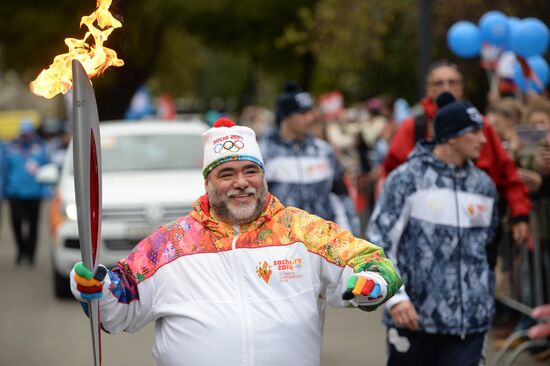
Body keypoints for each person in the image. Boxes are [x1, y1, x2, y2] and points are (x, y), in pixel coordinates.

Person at [70, 117, 402, 366]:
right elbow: (118, 307)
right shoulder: (170, 245)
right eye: (226, 173)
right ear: (208, 182)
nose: (241, 183)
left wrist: (371, 282)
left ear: (262, 175)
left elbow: (372, 263)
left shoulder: (303, 232)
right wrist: (94, 289)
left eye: (250, 171)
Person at [367, 92, 498, 366]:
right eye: (475, 132)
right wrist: (396, 299)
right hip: (414, 321)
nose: (483, 139)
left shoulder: (483, 185)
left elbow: (488, 248)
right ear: (451, 136)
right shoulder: (407, 179)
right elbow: (378, 242)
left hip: (469, 325)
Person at [382, 60, 531, 246]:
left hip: (478, 236)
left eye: (453, 82)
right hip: (425, 240)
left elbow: (507, 173)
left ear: (461, 88)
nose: (446, 88)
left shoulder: (479, 126)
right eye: (439, 83)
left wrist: (520, 214)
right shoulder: (413, 127)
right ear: (429, 89)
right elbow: (391, 182)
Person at [258, 81, 360, 236]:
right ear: (286, 117)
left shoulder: (323, 151)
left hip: (322, 244)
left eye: (310, 112)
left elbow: (341, 196)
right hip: (283, 245)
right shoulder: (264, 152)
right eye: (303, 113)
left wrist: (353, 233)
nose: (310, 118)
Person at [5, 120, 51, 266]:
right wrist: (5, 188)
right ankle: (21, 250)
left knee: (33, 225)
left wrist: (46, 188)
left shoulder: (41, 148)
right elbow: (5, 169)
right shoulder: (11, 148)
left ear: (32, 133)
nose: (25, 136)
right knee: (16, 223)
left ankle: (31, 255)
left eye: (28, 134)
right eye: (23, 134)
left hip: (34, 194)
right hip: (15, 194)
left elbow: (47, 168)